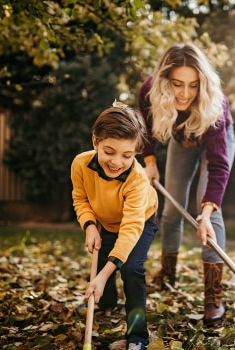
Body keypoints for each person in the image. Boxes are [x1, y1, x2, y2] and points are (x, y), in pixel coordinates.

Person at [138, 42, 235, 326]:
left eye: (193, 85)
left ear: (202, 84)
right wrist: (150, 161)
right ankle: (167, 276)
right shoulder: (149, 90)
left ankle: (213, 298)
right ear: (165, 80)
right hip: (183, 140)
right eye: (177, 84)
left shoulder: (215, 104)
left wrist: (205, 213)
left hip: (215, 140)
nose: (184, 93)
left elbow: (218, 165)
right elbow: (145, 129)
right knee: (171, 210)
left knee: (210, 214)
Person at [71, 101, 158, 350]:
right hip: (104, 220)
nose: (117, 162)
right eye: (109, 151)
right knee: (101, 263)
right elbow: (81, 198)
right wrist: (89, 225)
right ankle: (106, 302)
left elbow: (130, 229)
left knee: (130, 268)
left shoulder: (137, 180)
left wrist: (104, 274)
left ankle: (137, 335)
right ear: (95, 141)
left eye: (127, 155)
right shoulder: (80, 164)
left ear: (136, 153)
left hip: (140, 220)